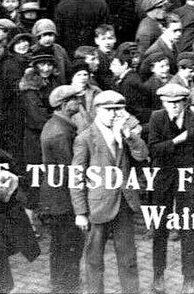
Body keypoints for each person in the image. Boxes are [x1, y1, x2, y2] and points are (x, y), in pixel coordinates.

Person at [72, 89, 148, 294]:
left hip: (123, 204)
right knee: (94, 261)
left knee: (128, 259)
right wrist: (80, 212)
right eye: (109, 110)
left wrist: (128, 135)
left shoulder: (123, 133)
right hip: (97, 207)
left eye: (118, 109)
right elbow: (77, 178)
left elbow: (142, 156)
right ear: (97, 110)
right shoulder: (85, 138)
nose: (114, 114)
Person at [147, 81, 194, 294]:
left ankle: (189, 279)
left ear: (185, 102)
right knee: (160, 227)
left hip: (187, 179)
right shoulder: (157, 118)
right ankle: (158, 275)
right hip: (163, 178)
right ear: (163, 103)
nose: (173, 106)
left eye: (177, 102)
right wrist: (176, 141)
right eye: (168, 103)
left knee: (187, 228)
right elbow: (154, 149)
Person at [39, 84, 85, 293]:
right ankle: (66, 284)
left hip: (56, 196)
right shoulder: (61, 133)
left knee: (61, 242)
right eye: (76, 99)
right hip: (63, 198)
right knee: (68, 242)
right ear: (65, 105)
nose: (80, 101)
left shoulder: (58, 125)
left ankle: (62, 282)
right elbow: (71, 169)